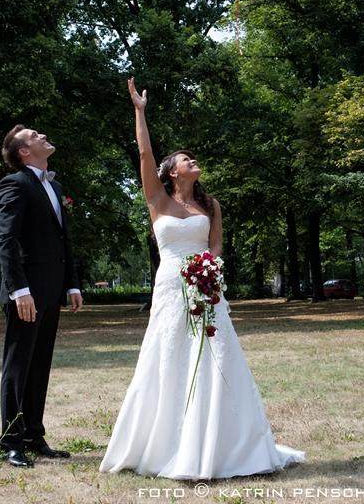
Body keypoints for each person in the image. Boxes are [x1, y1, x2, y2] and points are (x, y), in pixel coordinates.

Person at [99, 79, 304, 480]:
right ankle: (167, 444)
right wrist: (139, 111)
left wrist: (209, 275)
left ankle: (225, 445)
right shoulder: (158, 200)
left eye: (194, 159)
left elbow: (215, 249)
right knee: (169, 357)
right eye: (185, 159)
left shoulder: (211, 205)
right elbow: (144, 152)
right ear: (172, 171)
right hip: (169, 288)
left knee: (217, 356)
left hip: (206, 290)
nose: (193, 161)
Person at [0, 125, 83, 468]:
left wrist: (72, 284)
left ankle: (33, 435)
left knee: (39, 365)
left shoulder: (55, 186)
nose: (43, 134)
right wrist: (19, 290)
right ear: (24, 152)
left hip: (51, 291)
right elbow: (6, 240)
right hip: (26, 294)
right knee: (17, 367)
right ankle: (10, 442)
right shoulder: (14, 184)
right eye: (34, 135)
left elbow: (64, 240)